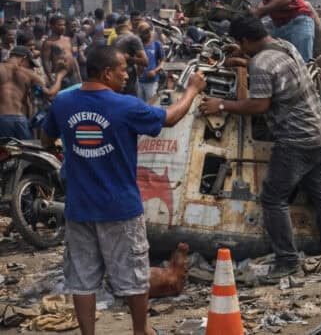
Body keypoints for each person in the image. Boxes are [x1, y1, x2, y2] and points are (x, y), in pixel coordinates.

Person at [42, 45, 206, 335]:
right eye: (122, 71)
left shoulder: (63, 103)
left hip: (80, 208)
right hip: (120, 208)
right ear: (106, 73)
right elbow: (169, 117)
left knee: (82, 279)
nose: (127, 76)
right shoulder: (125, 106)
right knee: (134, 276)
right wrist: (192, 90)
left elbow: (46, 138)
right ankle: (141, 331)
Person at [198, 15, 321, 280]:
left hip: (295, 138)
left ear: (244, 40)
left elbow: (258, 106)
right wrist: (244, 59)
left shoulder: (261, 64)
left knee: (273, 197)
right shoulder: (284, 46)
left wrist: (220, 104)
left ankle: (287, 260)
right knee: (319, 190)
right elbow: (278, 75)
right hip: (319, 132)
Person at [0, 46, 64, 139]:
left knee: (3, 152)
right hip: (19, 120)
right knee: (28, 151)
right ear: (24, 59)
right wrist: (60, 76)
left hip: (1, 118)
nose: (31, 68)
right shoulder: (29, 74)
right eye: (30, 64)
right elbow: (51, 94)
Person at [41, 15, 82, 90]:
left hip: (72, 76)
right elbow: (45, 62)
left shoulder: (68, 39)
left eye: (64, 25)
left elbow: (73, 58)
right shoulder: (48, 43)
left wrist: (78, 75)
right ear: (52, 26)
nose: (63, 27)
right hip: (60, 76)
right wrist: (51, 79)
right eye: (60, 25)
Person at [113, 15, 148, 97]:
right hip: (125, 78)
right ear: (128, 24)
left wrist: (130, 59)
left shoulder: (116, 40)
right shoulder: (131, 38)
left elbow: (145, 62)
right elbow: (145, 61)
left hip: (123, 77)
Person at [136, 22, 164, 102]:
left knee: (151, 104)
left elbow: (162, 61)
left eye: (148, 30)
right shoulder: (137, 44)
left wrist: (155, 71)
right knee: (140, 105)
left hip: (151, 82)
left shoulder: (156, 44)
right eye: (144, 31)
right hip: (139, 81)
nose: (147, 33)